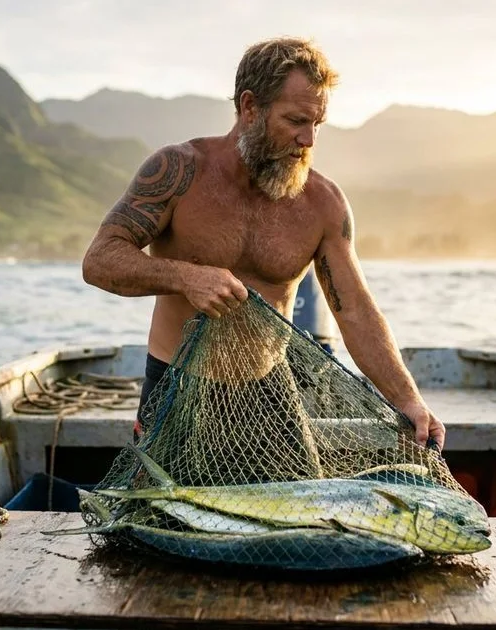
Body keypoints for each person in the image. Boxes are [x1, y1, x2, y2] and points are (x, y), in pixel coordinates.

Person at [81, 37, 445, 451]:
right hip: (176, 387)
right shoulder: (178, 171)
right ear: (250, 107)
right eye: (295, 121)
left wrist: (408, 399)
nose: (308, 140)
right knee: (164, 515)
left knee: (299, 515)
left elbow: (355, 310)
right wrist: (186, 277)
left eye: (317, 125)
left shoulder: (323, 203)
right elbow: (100, 260)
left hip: (270, 392)